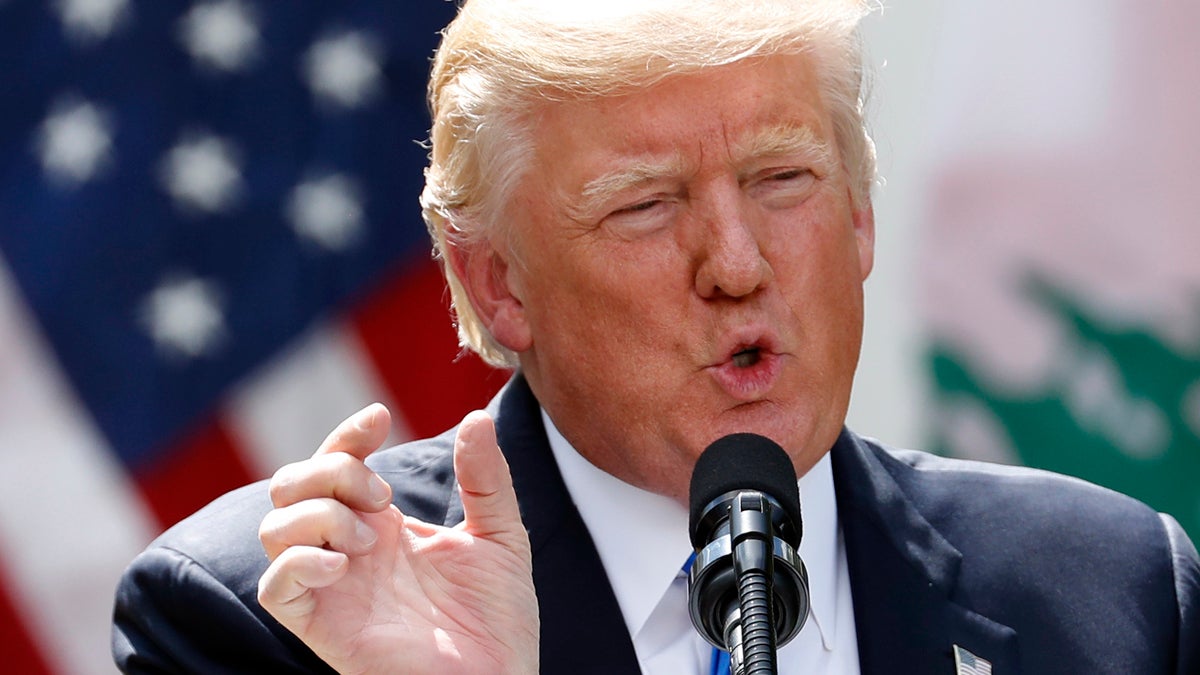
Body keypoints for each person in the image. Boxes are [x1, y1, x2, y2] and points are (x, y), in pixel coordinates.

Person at [112, 0, 1200, 673]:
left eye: (784, 180)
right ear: (496, 282)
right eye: (646, 205)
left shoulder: (1112, 593)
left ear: (861, 216)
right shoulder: (270, 622)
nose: (736, 264)